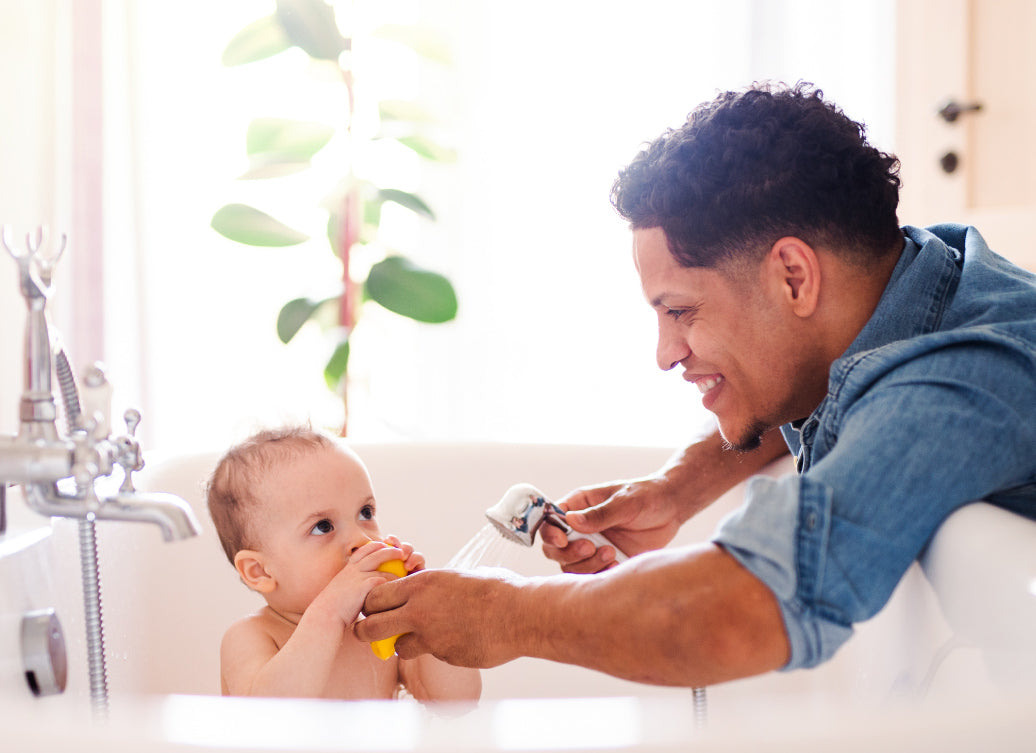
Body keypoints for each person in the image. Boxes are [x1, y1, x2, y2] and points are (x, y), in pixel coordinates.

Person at [355, 81, 1036, 687]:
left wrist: (500, 614)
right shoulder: (913, 278)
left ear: (793, 276)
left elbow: (732, 615)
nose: (664, 353)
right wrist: (677, 488)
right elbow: (815, 373)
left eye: (680, 311)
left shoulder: (964, 377)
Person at [206, 425, 481, 702]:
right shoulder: (250, 636)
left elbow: (456, 701)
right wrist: (330, 612)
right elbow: (268, 718)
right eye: (323, 527)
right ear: (260, 571)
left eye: (365, 512)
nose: (361, 539)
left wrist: (423, 613)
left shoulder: (379, 629)